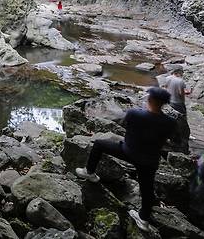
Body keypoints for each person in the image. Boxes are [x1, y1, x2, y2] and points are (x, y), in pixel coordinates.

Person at [75, 87, 177, 232]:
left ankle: (89, 172)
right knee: (147, 189)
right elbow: (173, 140)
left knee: (98, 144)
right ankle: (143, 219)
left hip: (128, 151)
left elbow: (124, 124)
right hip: (149, 160)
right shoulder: (170, 122)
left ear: (151, 100)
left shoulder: (135, 114)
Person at [165, 68, 192, 153]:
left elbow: (165, 88)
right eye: (182, 73)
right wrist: (187, 92)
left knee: (172, 117)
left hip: (170, 101)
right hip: (178, 103)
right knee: (182, 119)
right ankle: (182, 139)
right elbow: (181, 93)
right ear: (178, 73)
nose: (182, 75)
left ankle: (172, 134)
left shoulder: (167, 78)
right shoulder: (180, 81)